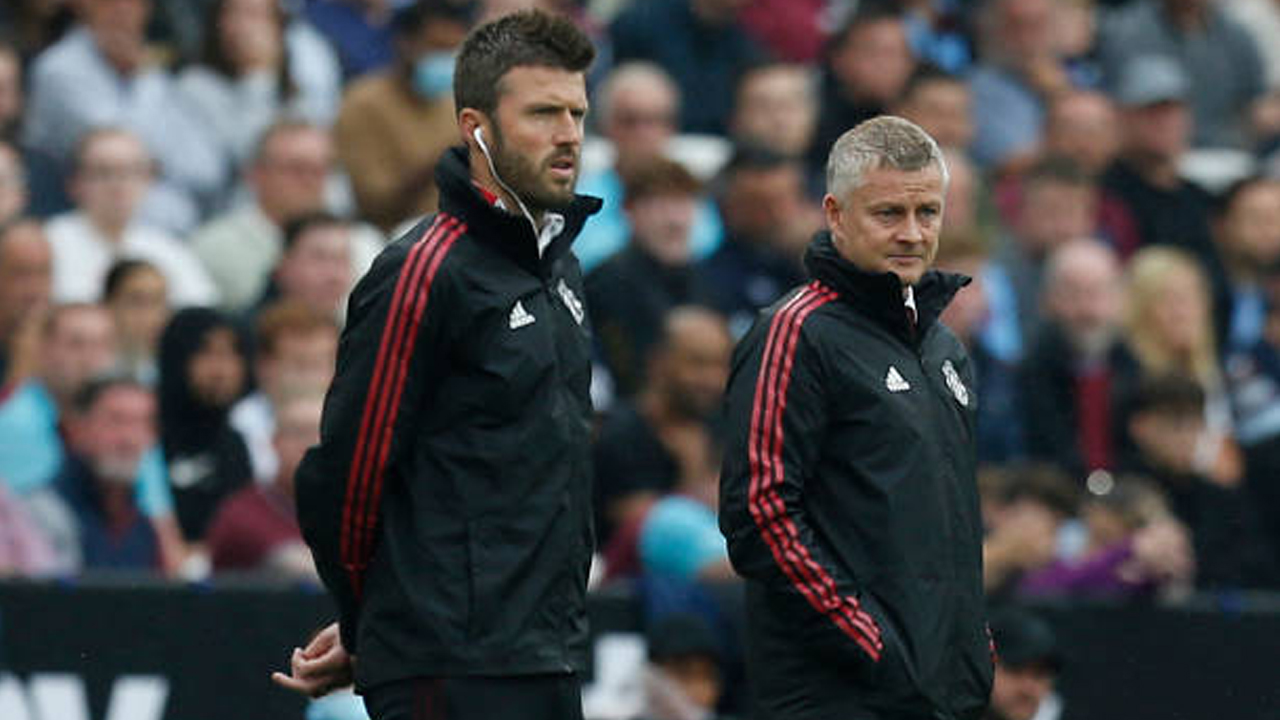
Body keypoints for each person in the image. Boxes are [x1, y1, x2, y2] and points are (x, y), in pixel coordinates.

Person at [274, 10, 601, 720]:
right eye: (542, 113)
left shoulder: (562, 271)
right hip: (450, 663)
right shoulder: (422, 273)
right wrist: (370, 621)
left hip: (547, 651)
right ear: (475, 127)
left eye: (576, 112)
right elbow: (347, 475)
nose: (569, 133)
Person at [718, 116, 992, 719]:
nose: (912, 233)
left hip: (943, 690)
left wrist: (971, 643)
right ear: (836, 215)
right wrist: (872, 642)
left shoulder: (943, 349)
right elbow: (760, 513)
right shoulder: (796, 333)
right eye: (889, 213)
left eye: (927, 212)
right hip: (838, 694)